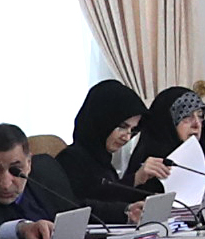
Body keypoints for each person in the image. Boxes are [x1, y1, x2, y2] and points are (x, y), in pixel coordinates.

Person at [37, 79, 165, 213]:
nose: (127, 137)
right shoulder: (71, 160)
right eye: (122, 127)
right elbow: (85, 206)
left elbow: (113, 198)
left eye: (132, 130)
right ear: (102, 120)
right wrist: (135, 179)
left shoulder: (103, 161)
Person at [124, 86, 205, 197]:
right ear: (167, 123)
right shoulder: (149, 170)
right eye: (187, 116)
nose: (197, 124)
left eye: (200, 116)